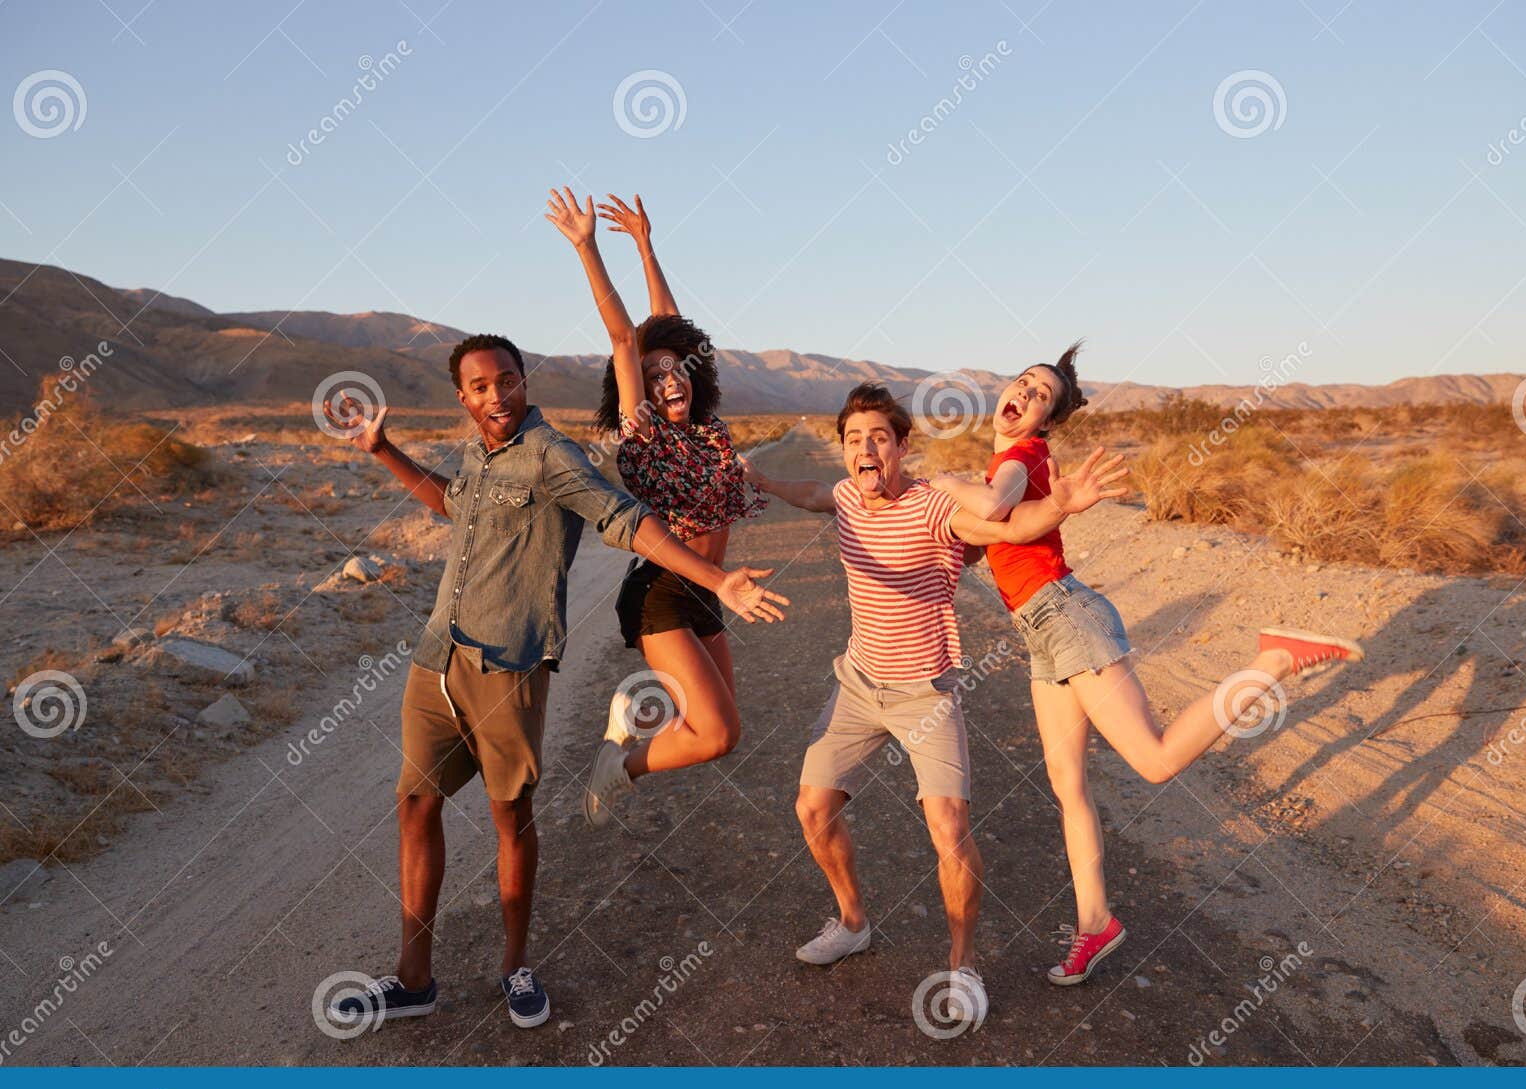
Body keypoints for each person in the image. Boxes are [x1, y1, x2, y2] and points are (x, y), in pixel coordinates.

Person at [332, 333, 787, 1030]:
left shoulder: (552, 454)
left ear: (523, 380)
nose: (497, 395)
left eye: (507, 380)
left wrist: (717, 577)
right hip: (438, 658)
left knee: (510, 817)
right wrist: (383, 451)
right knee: (415, 806)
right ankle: (414, 978)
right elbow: (451, 505)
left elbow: (626, 520)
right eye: (480, 386)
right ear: (463, 397)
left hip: (508, 666)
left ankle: (515, 964)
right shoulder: (476, 455)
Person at [928, 342, 1363, 986]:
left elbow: (993, 508)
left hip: (1066, 618)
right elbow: (993, 531)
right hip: (1040, 632)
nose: (1025, 394)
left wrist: (934, 481)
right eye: (1023, 382)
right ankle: (1095, 923)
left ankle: (1274, 659)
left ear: (1048, 420)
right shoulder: (1008, 460)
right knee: (1068, 787)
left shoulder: (1019, 458)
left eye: (1042, 395)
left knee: (1155, 761)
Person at [743, 382, 1128, 1026]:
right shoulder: (842, 494)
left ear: (901, 447)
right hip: (860, 683)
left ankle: (963, 966)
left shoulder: (932, 507)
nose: (866, 449)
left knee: (949, 832)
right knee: (812, 809)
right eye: (854, 440)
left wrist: (1061, 508)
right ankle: (853, 922)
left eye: (879, 438)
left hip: (927, 692)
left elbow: (1001, 525)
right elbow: (812, 495)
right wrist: (760, 477)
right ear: (845, 452)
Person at [546, 190, 769, 828]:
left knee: (722, 725)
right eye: (656, 375)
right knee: (716, 734)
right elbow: (626, 335)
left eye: (679, 371)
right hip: (662, 593)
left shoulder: (706, 425)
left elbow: (667, 328)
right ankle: (623, 761)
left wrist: (646, 245)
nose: (670, 381)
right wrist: (589, 247)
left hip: (705, 592)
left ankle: (644, 715)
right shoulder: (642, 429)